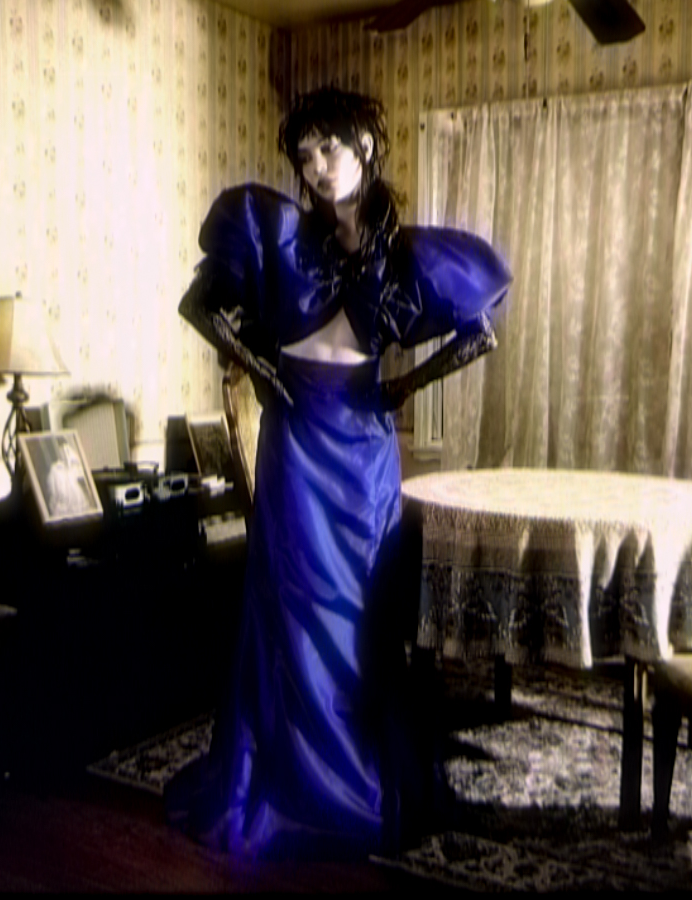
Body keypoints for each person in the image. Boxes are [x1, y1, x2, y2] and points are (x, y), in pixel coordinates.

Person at [166, 87, 511, 859]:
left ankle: (358, 778)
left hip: (364, 447)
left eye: (329, 147)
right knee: (294, 606)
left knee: (361, 618)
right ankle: (296, 783)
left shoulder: (411, 253)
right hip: (295, 438)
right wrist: (258, 367)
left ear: (366, 146)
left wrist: (407, 384)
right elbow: (198, 304)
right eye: (304, 154)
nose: (316, 166)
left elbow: (480, 332)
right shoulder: (278, 232)